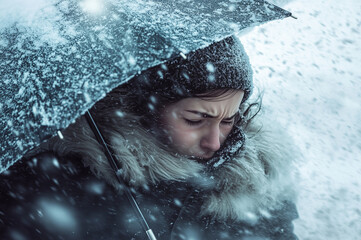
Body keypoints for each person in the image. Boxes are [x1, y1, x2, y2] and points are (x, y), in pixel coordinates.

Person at [0, 36, 298, 239]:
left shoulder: (255, 177)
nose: (215, 142)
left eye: (228, 120)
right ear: (144, 107)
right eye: (195, 120)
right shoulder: (53, 186)